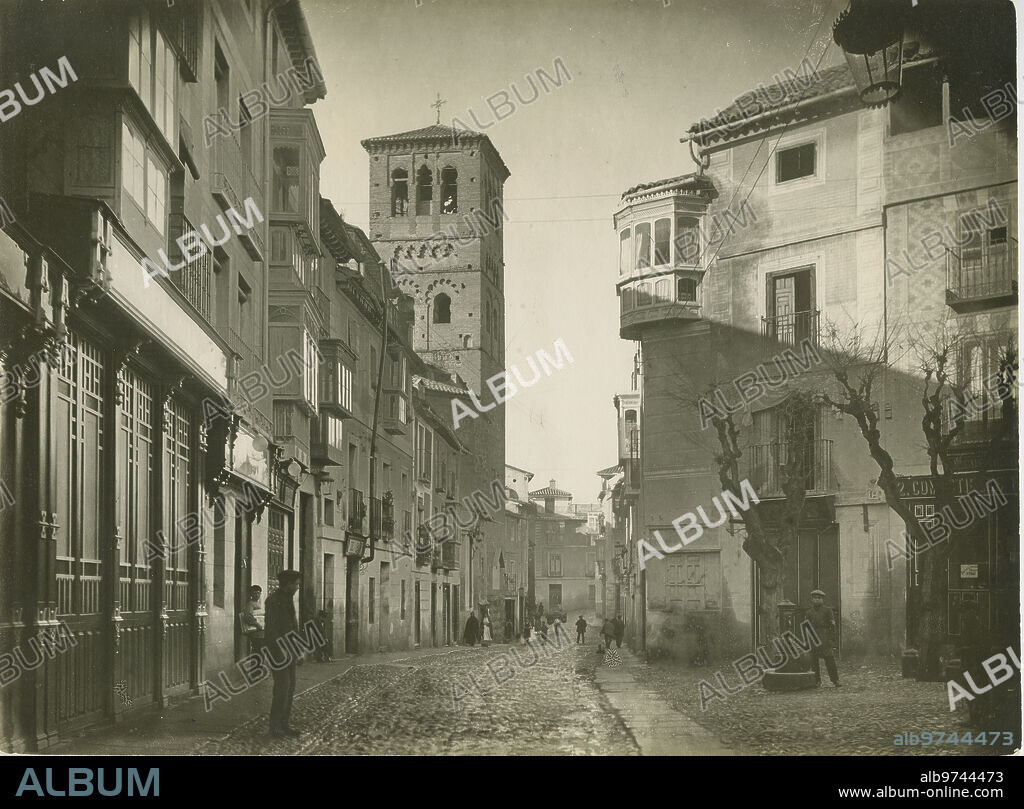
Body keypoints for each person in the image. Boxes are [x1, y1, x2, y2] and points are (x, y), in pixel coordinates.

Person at [264, 570, 302, 738]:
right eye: (296, 584)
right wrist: (281, 650)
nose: (298, 587)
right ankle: (275, 727)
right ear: (287, 584)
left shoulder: (288, 599)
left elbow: (293, 626)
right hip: (278, 651)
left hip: (290, 649)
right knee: (282, 689)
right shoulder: (273, 601)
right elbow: (271, 630)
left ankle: (284, 724)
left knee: (290, 688)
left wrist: (298, 649)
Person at [806, 589, 840, 687]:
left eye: (819, 598)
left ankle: (835, 680)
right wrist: (808, 640)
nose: (816, 600)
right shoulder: (809, 612)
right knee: (814, 661)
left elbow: (832, 626)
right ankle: (817, 681)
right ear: (812, 599)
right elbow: (807, 627)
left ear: (822, 600)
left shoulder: (827, 610)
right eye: (814, 598)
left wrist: (831, 639)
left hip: (825, 638)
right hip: (813, 639)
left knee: (830, 660)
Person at [239, 585, 265, 657]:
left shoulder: (257, 603)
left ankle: (259, 666)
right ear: (251, 594)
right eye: (254, 593)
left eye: (258, 593)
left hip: (260, 632)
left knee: (260, 652)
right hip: (255, 632)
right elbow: (248, 617)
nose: (257, 595)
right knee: (257, 651)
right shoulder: (250, 604)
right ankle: (256, 667)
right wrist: (257, 624)